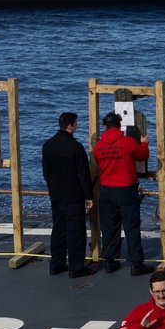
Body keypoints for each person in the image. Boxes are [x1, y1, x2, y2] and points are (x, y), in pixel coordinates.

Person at [94, 112, 153, 276]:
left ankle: (110, 261)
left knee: (109, 226)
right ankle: (136, 262)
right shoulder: (128, 143)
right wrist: (144, 143)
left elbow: (99, 161)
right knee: (131, 226)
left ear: (105, 127)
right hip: (126, 190)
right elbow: (143, 155)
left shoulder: (99, 146)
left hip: (106, 190)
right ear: (120, 126)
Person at [41, 112, 94, 278]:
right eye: (76, 124)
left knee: (58, 230)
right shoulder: (76, 148)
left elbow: (46, 172)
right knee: (75, 232)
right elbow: (83, 175)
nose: (76, 126)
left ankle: (56, 264)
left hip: (56, 195)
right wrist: (89, 195)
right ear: (70, 126)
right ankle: (76, 267)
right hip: (73, 196)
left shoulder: (48, 145)